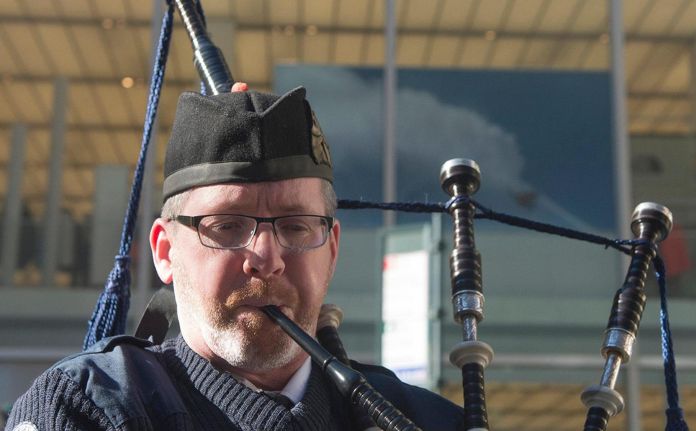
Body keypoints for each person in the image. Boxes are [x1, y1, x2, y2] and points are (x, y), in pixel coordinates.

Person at [6, 83, 464, 431]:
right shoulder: (85, 408)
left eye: (296, 226)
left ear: (333, 249)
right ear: (166, 252)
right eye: (227, 226)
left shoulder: (422, 420)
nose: (266, 258)